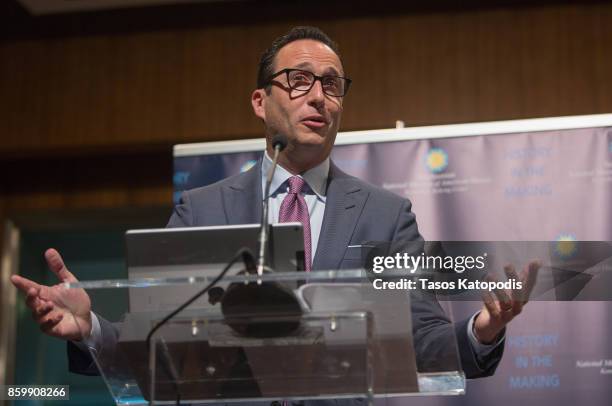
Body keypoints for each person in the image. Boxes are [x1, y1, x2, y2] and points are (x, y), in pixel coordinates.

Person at [11, 25, 538, 397]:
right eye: (300, 80)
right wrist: (91, 329)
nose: (320, 98)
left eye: (332, 85)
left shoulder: (385, 214)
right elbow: (157, 340)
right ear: (261, 102)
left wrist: (481, 330)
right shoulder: (201, 209)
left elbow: (423, 339)